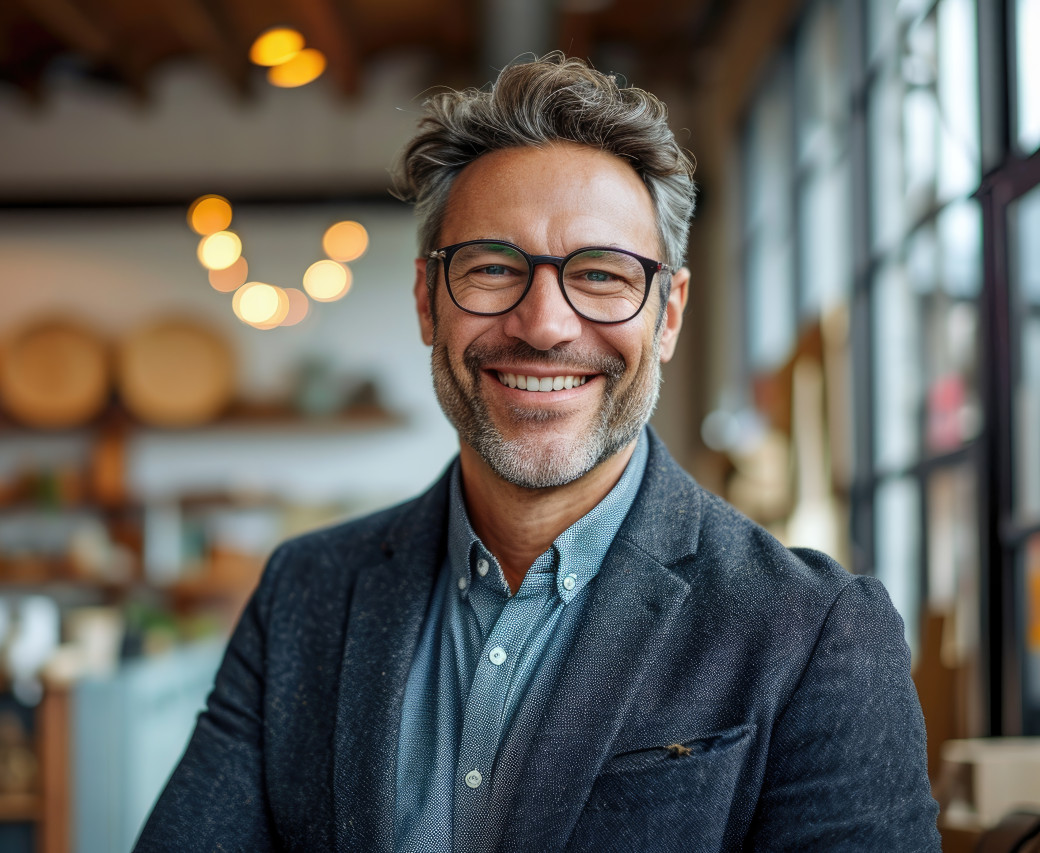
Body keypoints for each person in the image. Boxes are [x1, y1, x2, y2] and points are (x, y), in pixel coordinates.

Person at [134, 53, 941, 852]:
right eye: (492, 267)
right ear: (427, 300)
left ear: (667, 314)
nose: (545, 325)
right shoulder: (303, 596)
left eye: (600, 274)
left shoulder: (813, 631)